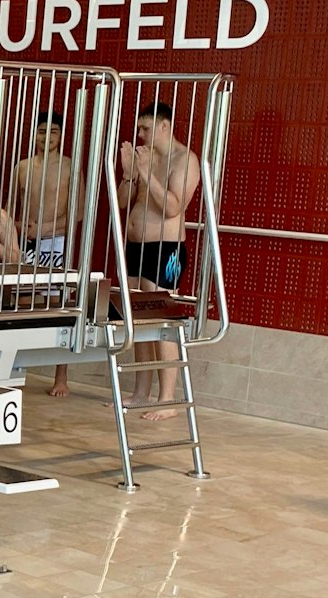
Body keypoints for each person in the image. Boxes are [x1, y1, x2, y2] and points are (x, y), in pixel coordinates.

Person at [119, 102, 201, 420]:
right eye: (139, 128)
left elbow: (172, 208)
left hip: (165, 249)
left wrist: (145, 174)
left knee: (161, 322)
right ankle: (141, 392)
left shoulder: (185, 160)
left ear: (165, 127)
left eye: (146, 128)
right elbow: (125, 202)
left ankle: (167, 398)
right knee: (138, 320)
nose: (140, 134)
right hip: (136, 247)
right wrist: (129, 175)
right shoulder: (146, 157)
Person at [13, 112, 77, 395]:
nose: (46, 137)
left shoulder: (69, 167)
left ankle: (60, 377)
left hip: (56, 241)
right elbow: (10, 207)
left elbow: (77, 214)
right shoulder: (23, 167)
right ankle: (14, 368)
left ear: (60, 136)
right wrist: (22, 228)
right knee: (21, 300)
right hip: (27, 240)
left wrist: (47, 228)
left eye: (52, 131)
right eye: (41, 131)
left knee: (58, 304)